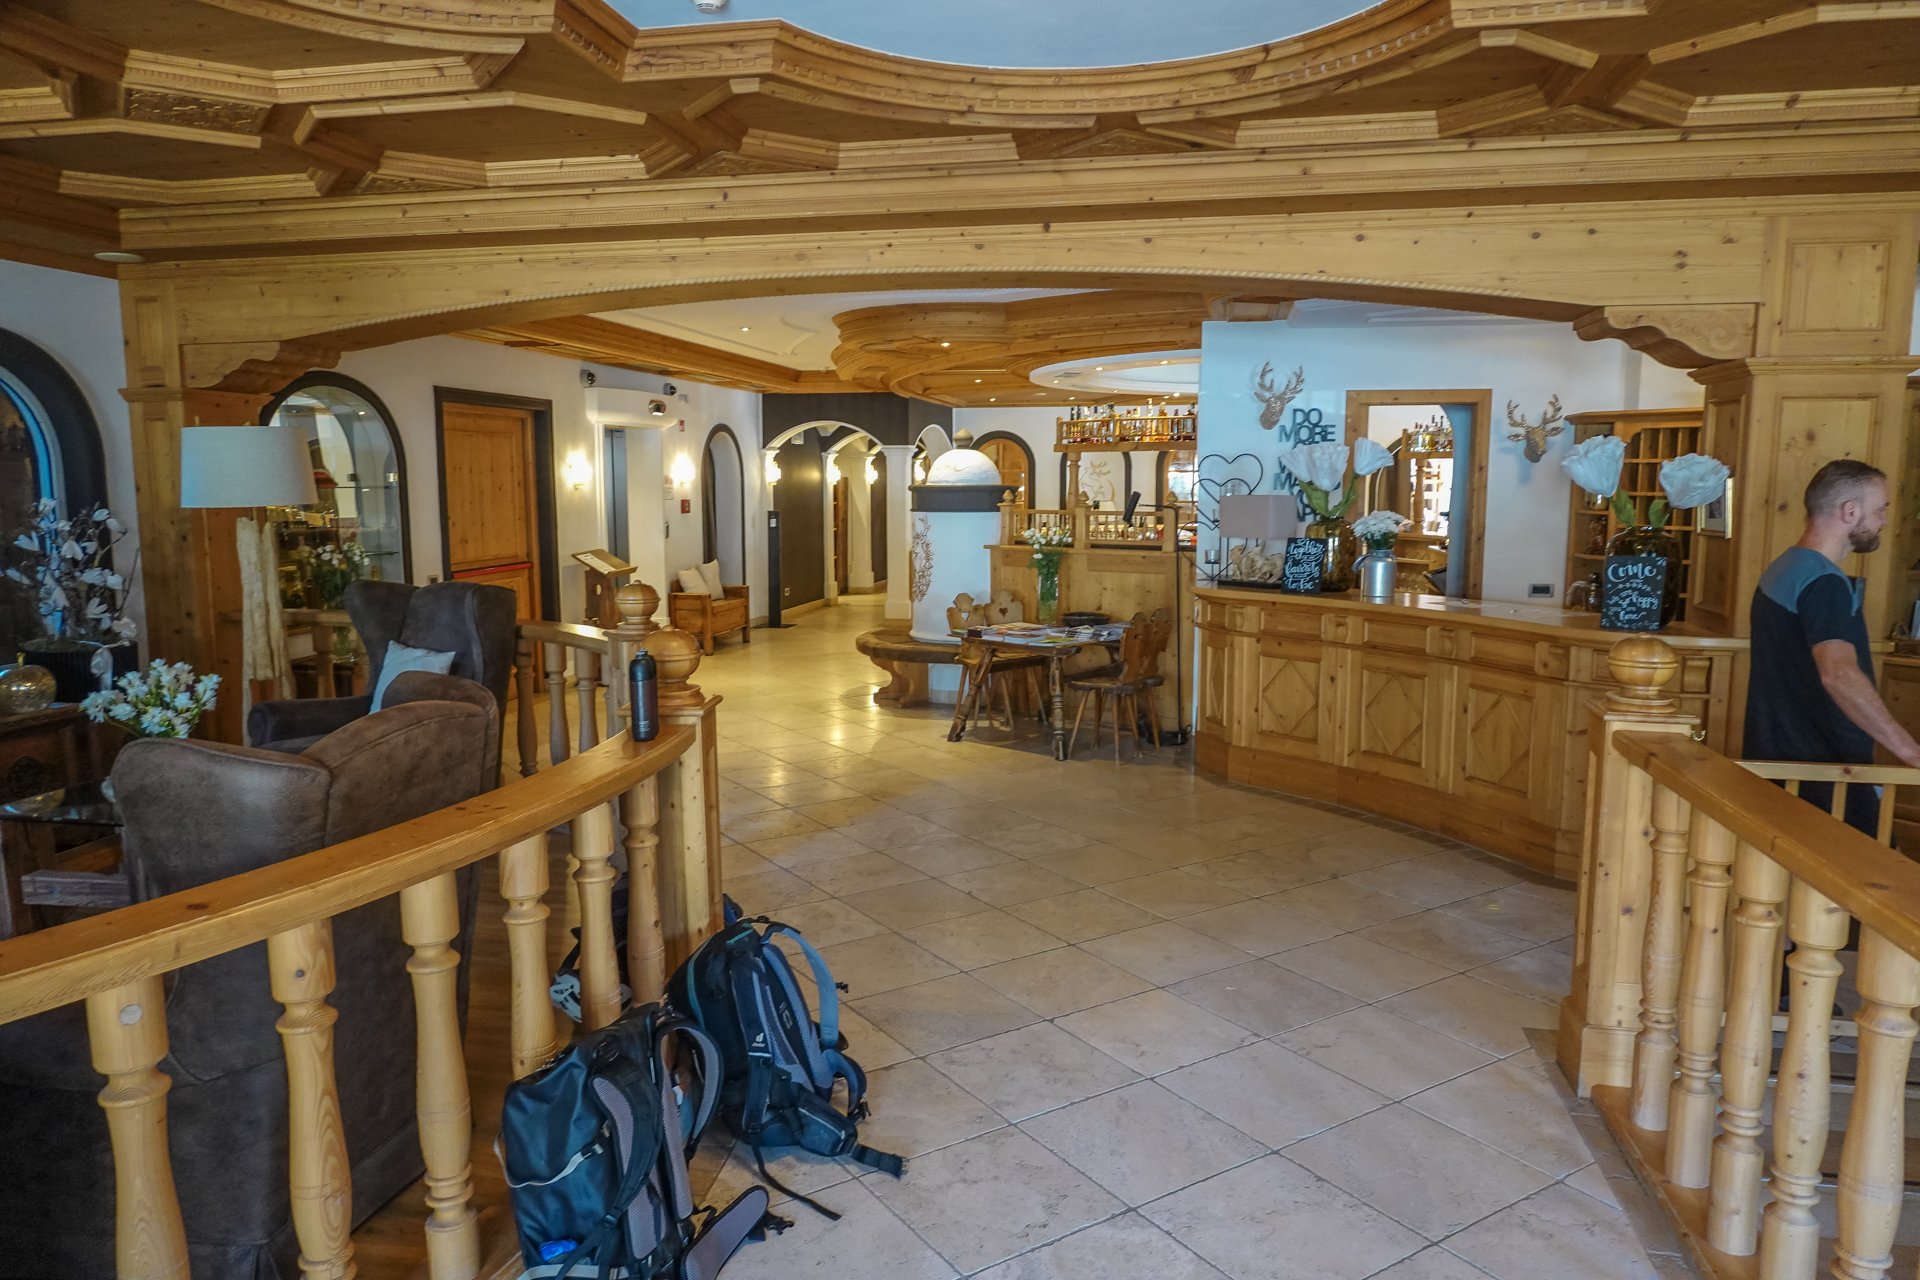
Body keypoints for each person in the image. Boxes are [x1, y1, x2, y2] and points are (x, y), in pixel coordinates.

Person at [1744, 459, 1920, 836]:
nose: (1884, 520)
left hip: (1781, 765)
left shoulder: (1785, 567)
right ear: (1850, 511)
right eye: (1881, 509)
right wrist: (1910, 752)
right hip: (1824, 774)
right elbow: (1838, 674)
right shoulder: (1824, 582)